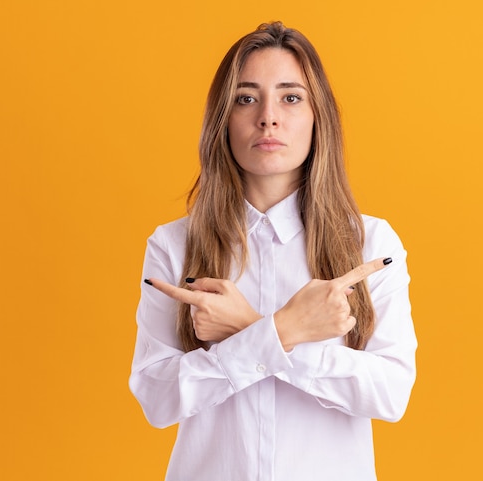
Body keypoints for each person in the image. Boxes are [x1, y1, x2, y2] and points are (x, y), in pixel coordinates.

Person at [129, 21, 417, 481]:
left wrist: (250, 331)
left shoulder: (370, 244)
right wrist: (284, 332)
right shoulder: (174, 245)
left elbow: (390, 393)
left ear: (317, 114)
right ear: (223, 117)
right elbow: (157, 398)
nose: (268, 117)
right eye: (247, 98)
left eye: (290, 97)